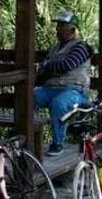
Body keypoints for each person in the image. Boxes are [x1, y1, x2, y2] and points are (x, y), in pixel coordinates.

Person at [35, 11, 94, 156]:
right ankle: (26, 136)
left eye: (62, 26)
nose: (57, 29)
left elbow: (67, 65)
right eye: (58, 25)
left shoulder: (81, 47)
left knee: (59, 103)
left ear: (72, 29)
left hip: (74, 91)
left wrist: (47, 66)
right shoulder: (55, 49)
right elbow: (44, 70)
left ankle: (57, 143)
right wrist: (45, 69)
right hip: (51, 88)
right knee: (30, 97)